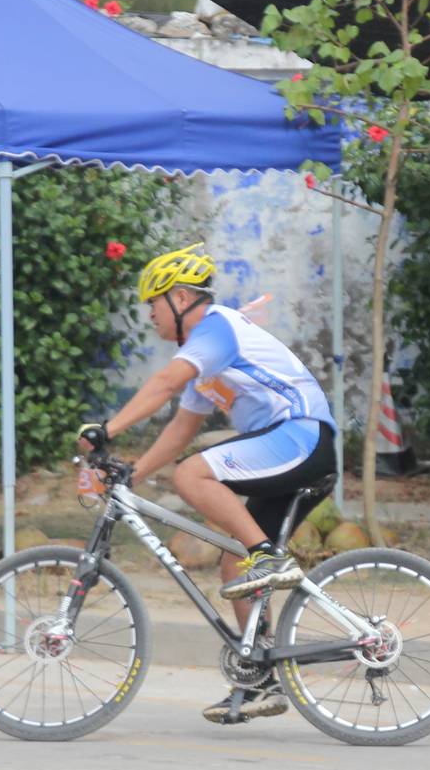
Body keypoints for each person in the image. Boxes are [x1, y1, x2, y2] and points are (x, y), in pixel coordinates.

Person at [77, 243, 337, 724]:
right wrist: (132, 473)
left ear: (179, 297)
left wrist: (106, 430)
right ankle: (261, 678)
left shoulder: (216, 328)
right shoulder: (204, 358)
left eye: (153, 303)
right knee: (235, 559)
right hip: (289, 446)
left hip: (300, 437)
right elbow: (181, 428)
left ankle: (269, 558)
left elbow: (164, 384)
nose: (150, 315)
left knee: (192, 475)